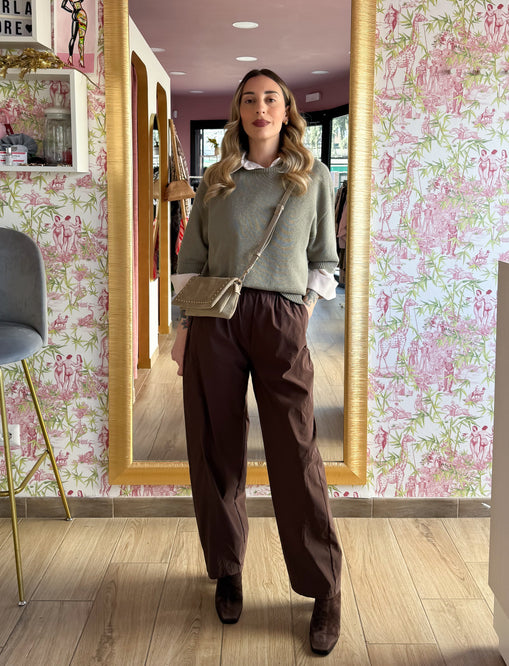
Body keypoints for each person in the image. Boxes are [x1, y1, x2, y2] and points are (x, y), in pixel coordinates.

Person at [171, 69, 342, 656]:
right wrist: (184, 330)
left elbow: (324, 257)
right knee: (216, 445)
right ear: (238, 112)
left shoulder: (313, 177)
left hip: (280, 318)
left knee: (296, 450)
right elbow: (192, 258)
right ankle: (228, 569)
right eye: (249, 99)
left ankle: (324, 587)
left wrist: (301, 312)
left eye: (271, 98)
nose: (260, 108)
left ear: (286, 109)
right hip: (216, 318)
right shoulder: (217, 179)